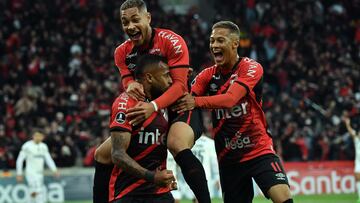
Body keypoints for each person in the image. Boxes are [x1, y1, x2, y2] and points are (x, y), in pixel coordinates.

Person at [93, 0, 210, 203]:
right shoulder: (122, 52)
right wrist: (130, 84)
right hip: (150, 108)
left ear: (148, 18)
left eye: (135, 20)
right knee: (103, 154)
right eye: (125, 22)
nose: (130, 26)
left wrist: (154, 106)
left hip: (179, 103)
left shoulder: (171, 41)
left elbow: (180, 86)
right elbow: (129, 81)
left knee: (176, 143)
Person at [173, 21, 293, 203]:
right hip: (228, 158)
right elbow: (185, 99)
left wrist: (195, 101)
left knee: (283, 198)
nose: (214, 46)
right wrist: (179, 79)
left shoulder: (251, 68)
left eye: (220, 40)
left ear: (235, 44)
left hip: (258, 150)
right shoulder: (207, 75)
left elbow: (230, 99)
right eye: (212, 41)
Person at [109, 54, 177, 203]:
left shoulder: (164, 104)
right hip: (129, 194)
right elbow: (118, 154)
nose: (170, 80)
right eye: (166, 76)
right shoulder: (125, 103)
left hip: (160, 192)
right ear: (150, 78)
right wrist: (152, 177)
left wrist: (165, 178)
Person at [16, 131, 59, 203]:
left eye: (40, 136)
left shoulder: (44, 146)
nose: (38, 137)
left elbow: (48, 159)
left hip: (40, 173)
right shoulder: (27, 146)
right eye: (36, 135)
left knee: (34, 192)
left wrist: (54, 170)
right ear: (33, 136)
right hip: (30, 173)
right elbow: (19, 160)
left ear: (43, 137)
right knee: (38, 191)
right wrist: (19, 173)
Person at [343, 115, 360, 203]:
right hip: (358, 161)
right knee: (357, 177)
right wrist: (347, 124)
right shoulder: (356, 138)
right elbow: (351, 131)